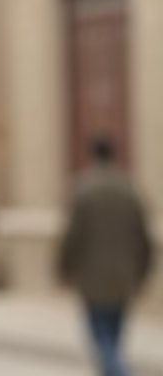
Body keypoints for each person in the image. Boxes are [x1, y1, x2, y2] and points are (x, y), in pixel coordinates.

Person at [59, 137, 155, 376]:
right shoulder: (130, 190)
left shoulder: (84, 190)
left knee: (102, 341)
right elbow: (143, 237)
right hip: (124, 278)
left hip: (92, 280)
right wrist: (143, 272)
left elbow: (73, 236)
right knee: (113, 337)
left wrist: (64, 268)